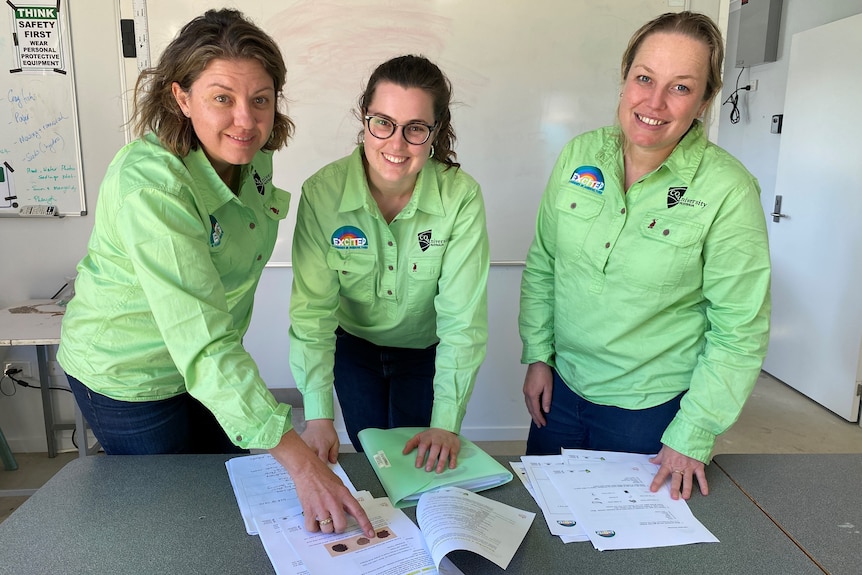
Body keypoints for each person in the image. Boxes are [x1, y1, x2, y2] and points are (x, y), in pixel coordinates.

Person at [57, 9, 373, 537]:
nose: (246, 121)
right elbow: (203, 342)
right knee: (172, 517)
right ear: (181, 97)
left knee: (231, 494)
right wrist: (300, 460)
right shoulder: (152, 186)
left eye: (261, 99)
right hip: (129, 374)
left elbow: (210, 340)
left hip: (204, 369)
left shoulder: (254, 154)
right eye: (222, 98)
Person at [518, 11, 771, 500]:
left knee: (629, 553)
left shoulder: (728, 190)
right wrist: (537, 355)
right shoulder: (578, 156)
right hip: (561, 392)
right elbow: (545, 264)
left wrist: (693, 433)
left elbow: (740, 330)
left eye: (680, 87)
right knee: (548, 524)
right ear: (625, 78)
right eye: (644, 78)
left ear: (705, 98)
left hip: (651, 412)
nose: (653, 102)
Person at [289, 55, 489, 474]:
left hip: (424, 351)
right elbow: (312, 313)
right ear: (364, 119)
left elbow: (462, 319)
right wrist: (318, 415)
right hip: (354, 349)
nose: (396, 145)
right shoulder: (322, 194)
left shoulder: (460, 198)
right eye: (383, 122)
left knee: (417, 462)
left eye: (415, 129)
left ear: (435, 132)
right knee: (372, 458)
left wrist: (447, 423)